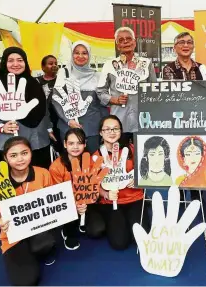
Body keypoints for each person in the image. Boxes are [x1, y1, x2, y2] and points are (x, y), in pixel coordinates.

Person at [0, 136, 56, 286]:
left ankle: (37, 249)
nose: (20, 159)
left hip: (39, 228)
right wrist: (0, 221)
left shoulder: (43, 173)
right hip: (13, 235)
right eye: (13, 155)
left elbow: (53, 202)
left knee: (45, 244)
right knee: (27, 281)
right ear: (5, 158)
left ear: (31, 153)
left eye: (24, 153)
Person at [0, 47, 52, 169]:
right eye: (11, 60)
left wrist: (49, 128)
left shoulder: (34, 84)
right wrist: (1, 127)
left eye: (20, 60)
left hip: (38, 143)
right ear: (4, 63)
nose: (16, 64)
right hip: (9, 145)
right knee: (13, 183)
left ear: (25, 62)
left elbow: (44, 111)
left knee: (39, 181)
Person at [162, 32, 206, 201]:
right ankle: (182, 202)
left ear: (193, 46)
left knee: (199, 159)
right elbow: (171, 98)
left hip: (200, 120)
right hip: (178, 122)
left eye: (189, 42)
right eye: (181, 42)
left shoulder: (202, 68)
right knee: (182, 162)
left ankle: (199, 202)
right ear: (175, 47)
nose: (186, 45)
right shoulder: (168, 69)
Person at [89, 115, 149, 250]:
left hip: (135, 198)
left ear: (121, 131)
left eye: (116, 128)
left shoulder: (132, 149)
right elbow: (93, 185)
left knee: (141, 238)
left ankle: (141, 213)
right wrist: (105, 194)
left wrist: (139, 179)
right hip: (111, 203)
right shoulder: (95, 156)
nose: (112, 132)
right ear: (100, 132)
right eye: (107, 129)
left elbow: (146, 169)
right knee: (119, 243)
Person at [96, 27, 157, 141]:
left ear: (134, 43)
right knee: (121, 155)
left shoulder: (146, 63)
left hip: (142, 121)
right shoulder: (109, 65)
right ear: (117, 45)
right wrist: (115, 100)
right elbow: (100, 92)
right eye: (121, 40)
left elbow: (155, 90)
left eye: (128, 39)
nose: (125, 42)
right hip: (118, 122)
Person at [52, 41, 107, 154]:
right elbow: (56, 100)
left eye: (84, 53)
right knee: (71, 164)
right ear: (72, 55)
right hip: (69, 128)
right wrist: (68, 121)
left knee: (93, 162)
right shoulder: (64, 73)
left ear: (89, 55)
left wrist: (104, 128)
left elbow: (102, 105)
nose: (80, 56)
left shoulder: (97, 75)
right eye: (76, 53)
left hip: (92, 129)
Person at [49, 128, 88, 250]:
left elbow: (94, 184)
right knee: (69, 215)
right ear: (65, 144)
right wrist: (75, 203)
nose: (75, 147)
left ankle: (83, 221)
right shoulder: (56, 166)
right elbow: (58, 195)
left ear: (85, 144)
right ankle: (67, 230)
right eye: (71, 143)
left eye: (79, 143)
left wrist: (86, 200)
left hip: (86, 200)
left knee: (96, 230)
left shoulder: (89, 160)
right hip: (67, 203)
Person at [36, 55, 61, 151]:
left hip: (58, 120)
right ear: (43, 67)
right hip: (41, 120)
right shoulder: (35, 82)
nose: (54, 65)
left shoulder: (61, 81)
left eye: (56, 63)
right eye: (51, 64)